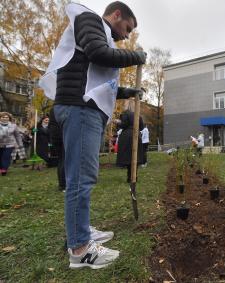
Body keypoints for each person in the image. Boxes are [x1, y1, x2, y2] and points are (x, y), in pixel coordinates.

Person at [39, 1, 147, 269]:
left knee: (81, 176)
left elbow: (100, 81)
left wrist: (127, 93)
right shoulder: (89, 19)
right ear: (117, 14)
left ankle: (82, 230)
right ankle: (80, 249)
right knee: (81, 179)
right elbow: (99, 54)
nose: (126, 35)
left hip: (82, 107)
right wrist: (137, 56)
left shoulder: (100, 33)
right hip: (80, 108)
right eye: (127, 28)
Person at [116, 110, 144, 182]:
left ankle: (130, 177)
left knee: (128, 157)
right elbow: (141, 127)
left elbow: (124, 125)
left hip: (127, 136)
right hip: (137, 135)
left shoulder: (125, 114)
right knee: (135, 156)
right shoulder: (138, 115)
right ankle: (134, 176)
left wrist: (118, 122)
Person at [48, 107, 66, 192]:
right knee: (65, 160)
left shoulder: (53, 110)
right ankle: (64, 184)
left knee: (61, 160)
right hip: (63, 136)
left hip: (55, 137)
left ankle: (62, 184)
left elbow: (50, 126)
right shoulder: (64, 109)